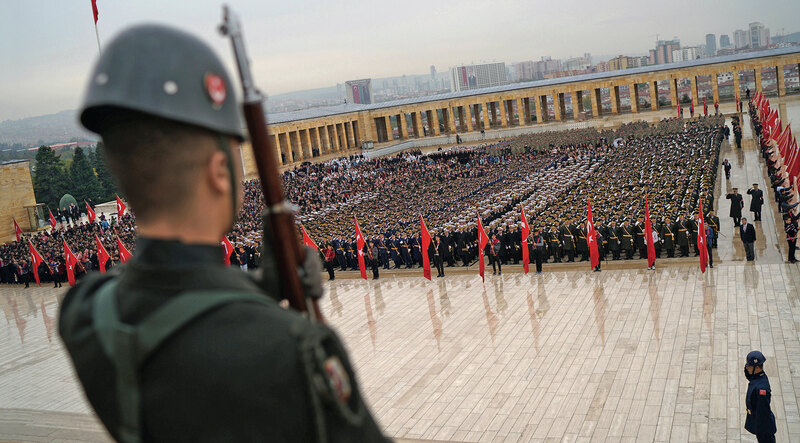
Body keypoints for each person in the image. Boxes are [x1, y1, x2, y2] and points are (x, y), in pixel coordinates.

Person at [58, 24, 387, 442]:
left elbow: (161, 298)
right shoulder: (292, 351)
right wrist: (262, 298)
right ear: (218, 172)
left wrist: (258, 287)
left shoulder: (85, 315)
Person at [743, 351, 777, 443]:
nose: (747, 368)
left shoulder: (762, 389)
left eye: (749, 366)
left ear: (757, 367)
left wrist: (760, 429)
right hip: (759, 422)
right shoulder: (757, 376)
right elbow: (749, 375)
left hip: (764, 427)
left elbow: (763, 411)